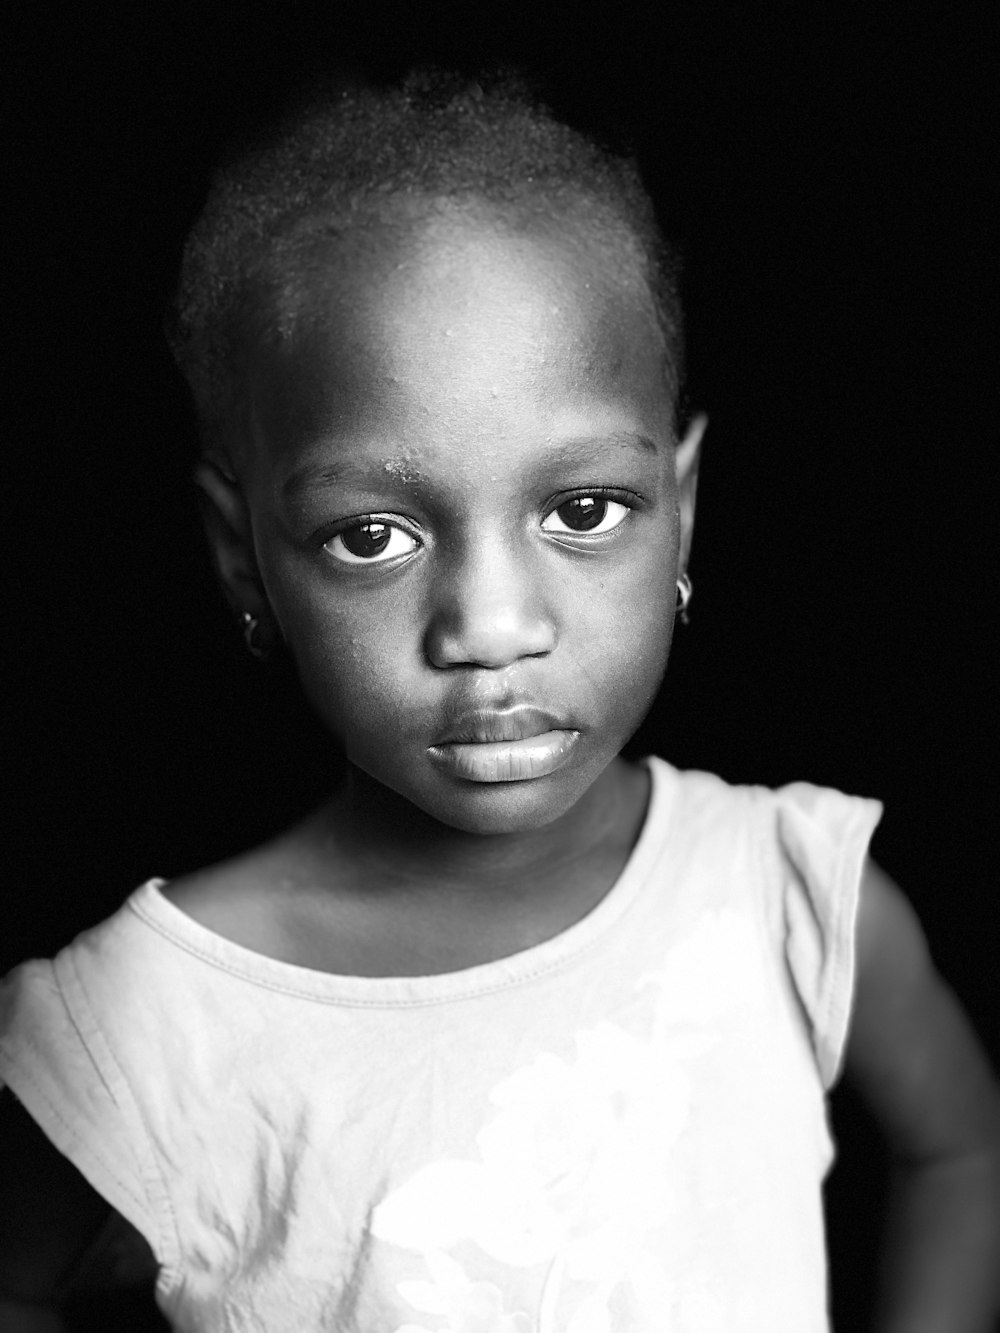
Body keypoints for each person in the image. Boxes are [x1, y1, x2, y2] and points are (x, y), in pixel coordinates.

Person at [1, 69, 998, 1333]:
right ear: (243, 553)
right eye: (373, 534)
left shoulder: (790, 896)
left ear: (679, 508)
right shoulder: (136, 1032)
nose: (491, 628)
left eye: (581, 511)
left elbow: (961, 1149)